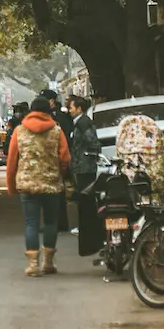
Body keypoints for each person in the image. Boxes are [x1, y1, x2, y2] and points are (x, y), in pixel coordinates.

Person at [6, 96, 71, 277]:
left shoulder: (19, 131)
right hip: (51, 183)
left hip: (27, 184)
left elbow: (11, 161)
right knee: (51, 223)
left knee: (31, 223)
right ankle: (48, 262)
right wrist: (59, 173)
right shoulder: (57, 131)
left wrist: (11, 185)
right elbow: (65, 158)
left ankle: (33, 264)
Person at [67, 95, 102, 249]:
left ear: (79, 108)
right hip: (81, 166)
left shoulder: (83, 123)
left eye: (71, 107)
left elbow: (93, 142)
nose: (69, 110)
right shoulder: (80, 123)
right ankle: (85, 228)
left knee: (86, 198)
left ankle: (88, 229)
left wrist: (89, 156)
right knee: (83, 198)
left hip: (85, 168)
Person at [41, 89, 74, 232]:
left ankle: (58, 224)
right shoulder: (46, 116)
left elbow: (65, 139)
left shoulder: (59, 117)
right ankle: (55, 223)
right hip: (50, 160)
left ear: (51, 101)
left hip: (56, 159)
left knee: (56, 194)